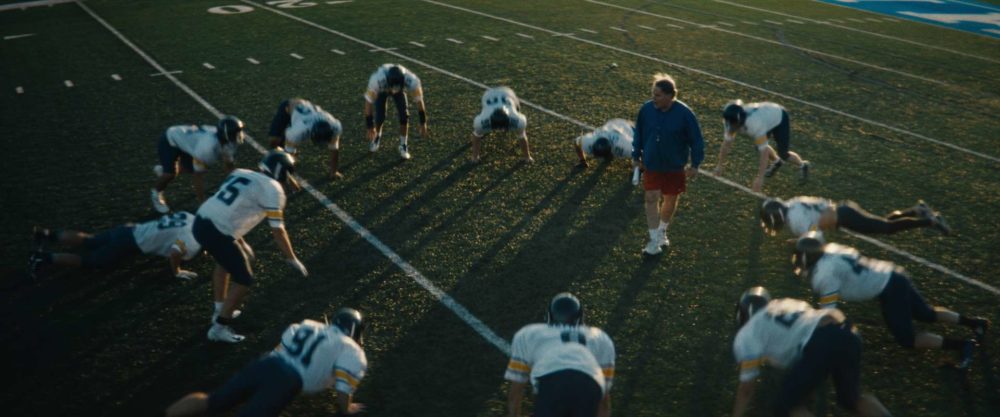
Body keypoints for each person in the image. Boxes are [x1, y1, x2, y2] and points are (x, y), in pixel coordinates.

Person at [793, 233, 987, 368]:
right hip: (893, 274)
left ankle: (962, 345)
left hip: (888, 289)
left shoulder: (825, 274)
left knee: (907, 339)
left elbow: (829, 314)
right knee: (925, 313)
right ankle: (976, 323)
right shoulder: (832, 249)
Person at [194, 150, 308, 343]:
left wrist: (239, 240)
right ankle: (219, 327)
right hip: (217, 231)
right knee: (244, 279)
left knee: (224, 265)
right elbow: (278, 230)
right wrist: (291, 257)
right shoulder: (273, 189)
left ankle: (219, 308)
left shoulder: (241, 172)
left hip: (200, 221)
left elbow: (230, 208)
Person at [165, 308, 367, 417]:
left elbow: (280, 350)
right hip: (287, 380)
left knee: (213, 401)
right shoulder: (352, 350)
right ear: (355, 332)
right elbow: (343, 390)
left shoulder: (307, 325)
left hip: (267, 364)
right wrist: (345, 409)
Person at [732, 287, 891, 417]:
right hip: (848, 332)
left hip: (820, 341)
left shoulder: (747, 334)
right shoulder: (785, 304)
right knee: (851, 399)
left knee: (786, 406)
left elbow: (746, 389)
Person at [505, 293, 615, 417]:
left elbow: (516, 393)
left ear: (549, 315)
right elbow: (604, 400)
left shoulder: (530, 334)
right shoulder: (600, 338)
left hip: (552, 384)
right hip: (589, 386)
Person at [632, 73, 705, 255]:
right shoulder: (646, 110)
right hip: (652, 164)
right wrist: (636, 155)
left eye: (657, 95)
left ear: (670, 96)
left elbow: (696, 140)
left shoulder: (685, 114)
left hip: (674, 165)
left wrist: (695, 164)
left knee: (670, 199)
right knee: (651, 198)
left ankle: (662, 230)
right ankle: (654, 240)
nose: (653, 98)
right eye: (653, 94)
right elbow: (639, 133)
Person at [28, 212, 202, 281]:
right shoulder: (193, 240)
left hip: (130, 229)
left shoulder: (189, 215)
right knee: (91, 262)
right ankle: (43, 258)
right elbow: (175, 252)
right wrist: (177, 271)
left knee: (91, 240)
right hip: (129, 243)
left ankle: (46, 234)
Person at [151, 116, 244, 214]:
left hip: (190, 143)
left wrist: (237, 182)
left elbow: (229, 166)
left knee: (188, 168)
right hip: (170, 139)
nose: (239, 135)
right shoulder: (207, 148)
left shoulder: (228, 141)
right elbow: (198, 177)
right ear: (226, 135)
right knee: (170, 174)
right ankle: (156, 192)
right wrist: (202, 203)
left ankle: (165, 169)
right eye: (235, 133)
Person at [714, 100, 810, 192]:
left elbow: (763, 153)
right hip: (766, 116)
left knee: (783, 153)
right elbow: (726, 144)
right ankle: (777, 162)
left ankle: (803, 164)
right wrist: (719, 165)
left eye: (734, 125)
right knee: (758, 146)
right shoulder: (730, 120)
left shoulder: (754, 124)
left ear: (740, 121)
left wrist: (760, 178)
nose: (731, 129)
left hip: (779, 116)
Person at [760, 196, 951, 237]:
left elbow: (815, 238)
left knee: (886, 228)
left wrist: (802, 248)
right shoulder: (792, 204)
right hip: (843, 211)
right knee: (882, 223)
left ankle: (930, 220)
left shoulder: (795, 219)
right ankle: (917, 210)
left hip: (844, 216)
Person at [363, 64, 428, 160]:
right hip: (383, 90)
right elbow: (368, 103)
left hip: (398, 89)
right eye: (392, 88)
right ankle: (377, 137)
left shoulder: (412, 80)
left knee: (404, 116)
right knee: (380, 116)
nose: (393, 91)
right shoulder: (377, 80)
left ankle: (403, 145)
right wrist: (369, 125)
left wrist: (423, 122)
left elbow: (419, 102)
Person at [268, 98, 344, 180]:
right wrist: (290, 178)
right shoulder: (298, 131)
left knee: (290, 148)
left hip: (304, 112)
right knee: (274, 141)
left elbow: (334, 150)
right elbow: (288, 154)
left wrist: (334, 172)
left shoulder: (335, 126)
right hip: (288, 108)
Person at [470, 86, 533, 164]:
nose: (500, 129)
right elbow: (476, 136)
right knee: (480, 126)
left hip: (508, 94)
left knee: (517, 109)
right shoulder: (481, 122)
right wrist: (475, 157)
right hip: (488, 95)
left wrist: (527, 157)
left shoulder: (518, 120)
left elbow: (522, 137)